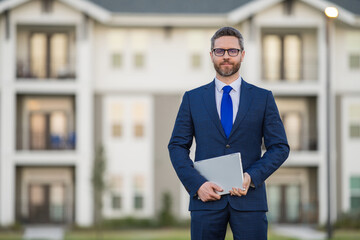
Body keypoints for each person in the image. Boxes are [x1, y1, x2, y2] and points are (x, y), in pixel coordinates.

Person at [168, 26, 290, 240]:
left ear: (242, 55)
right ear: (211, 55)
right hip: (206, 202)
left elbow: (279, 147)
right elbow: (177, 146)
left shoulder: (263, 98)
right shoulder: (192, 99)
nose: (226, 56)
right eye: (220, 51)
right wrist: (197, 185)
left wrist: (251, 177)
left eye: (232, 51)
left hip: (249, 201)